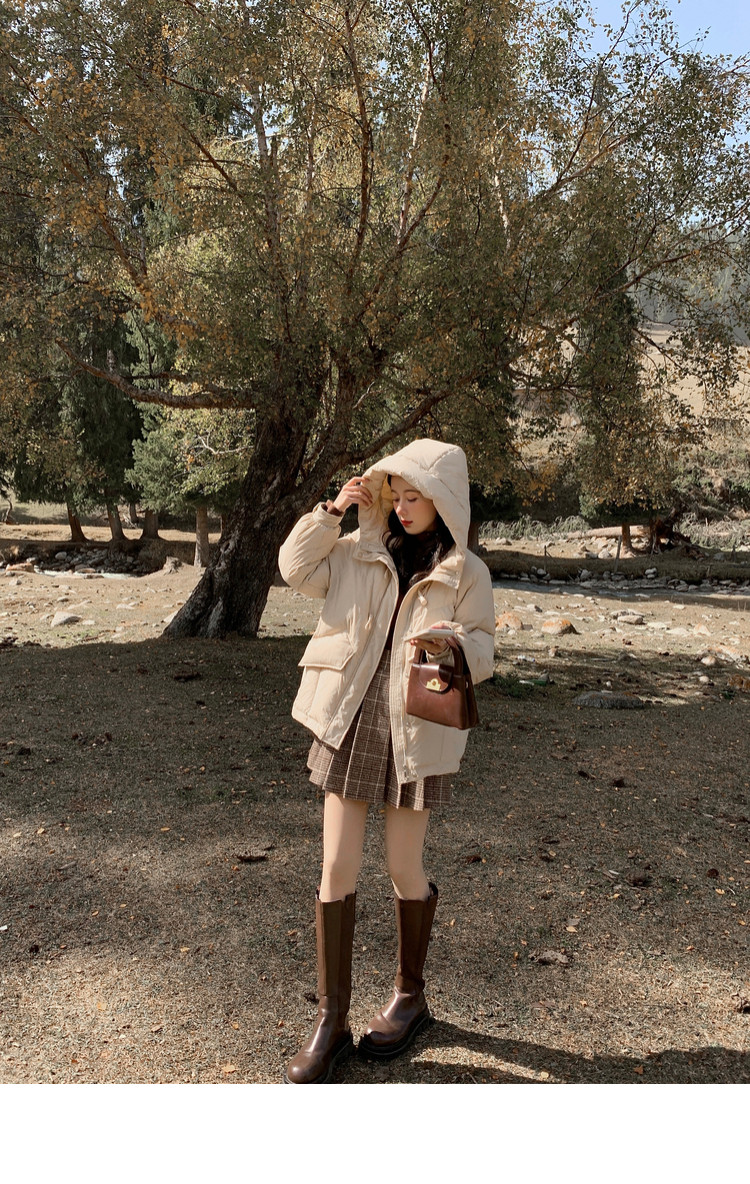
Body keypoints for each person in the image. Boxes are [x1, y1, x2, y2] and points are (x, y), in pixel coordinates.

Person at [278, 438, 496, 1084]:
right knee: (336, 865)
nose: (401, 507)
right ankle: (331, 1021)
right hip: (346, 723)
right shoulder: (354, 550)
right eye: (395, 495)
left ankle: (409, 996)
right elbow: (294, 570)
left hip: (416, 734)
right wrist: (329, 513)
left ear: (443, 501)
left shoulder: (466, 572)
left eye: (415, 497)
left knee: (404, 867)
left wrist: (455, 645)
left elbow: (484, 649)